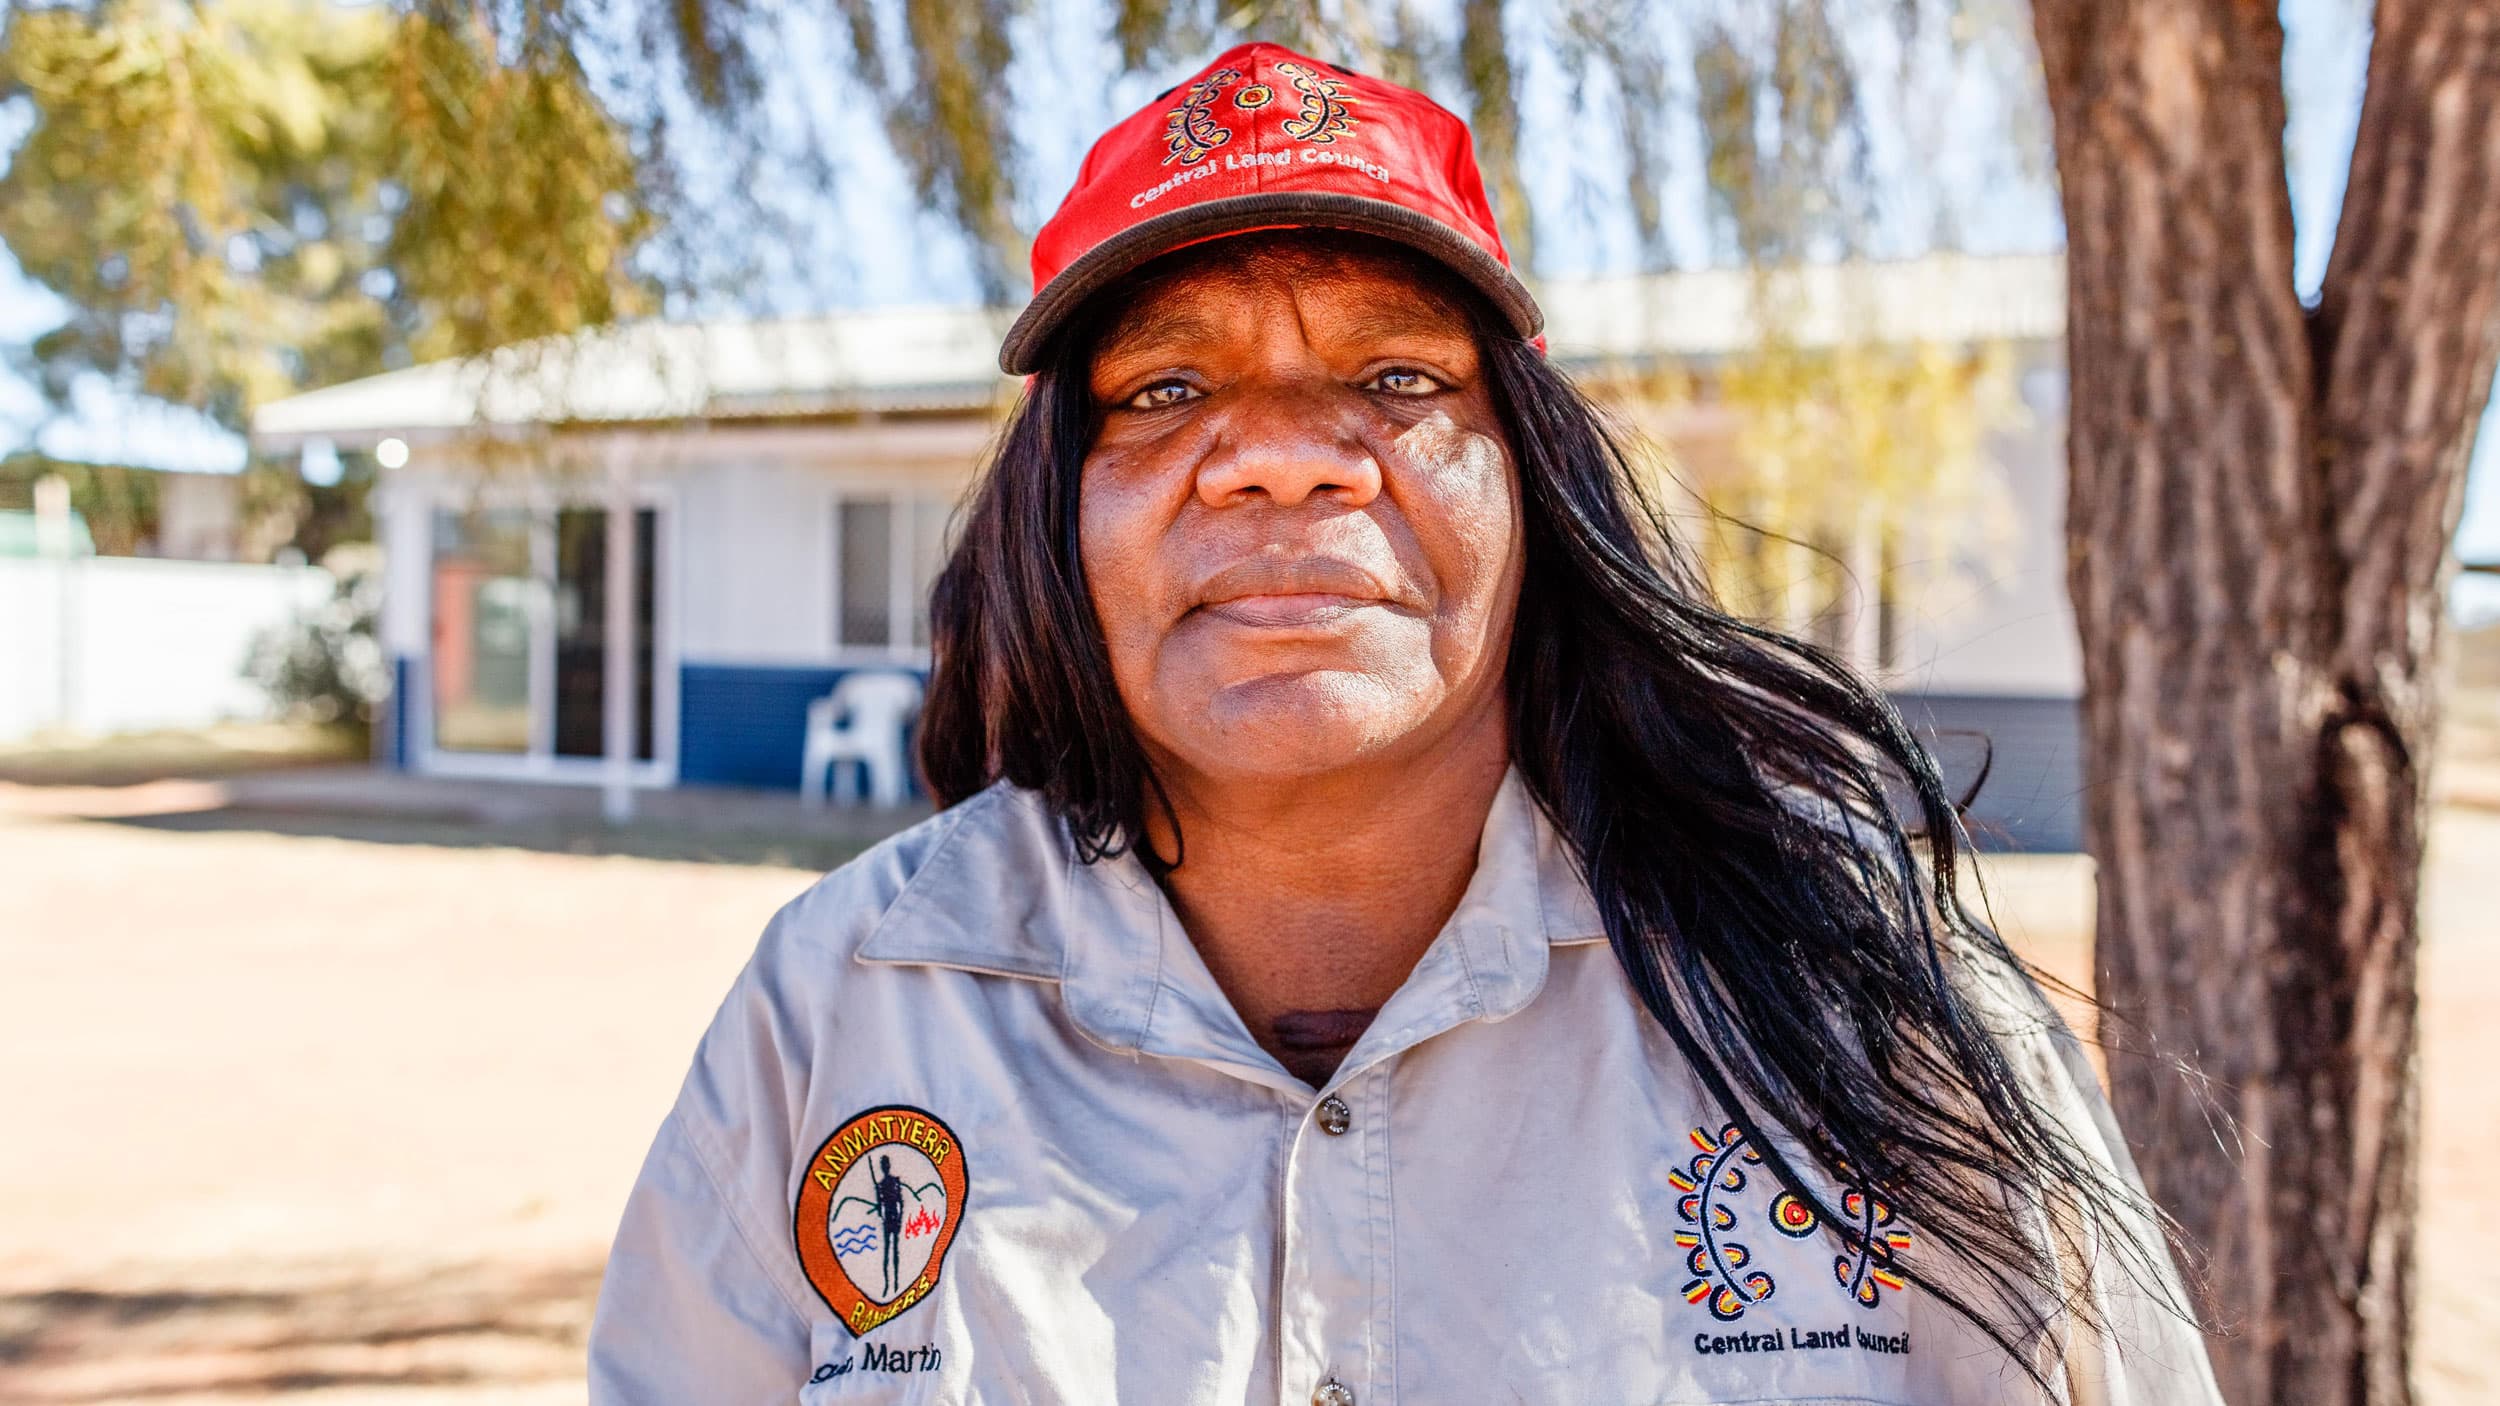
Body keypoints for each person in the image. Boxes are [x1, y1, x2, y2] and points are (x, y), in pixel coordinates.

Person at [588, 41, 2222, 1405]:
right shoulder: (847, 1002)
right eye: (1165, 390)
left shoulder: (1851, 973)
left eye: (1395, 380)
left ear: (1531, 482)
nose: (1283, 456)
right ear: (1051, 515)